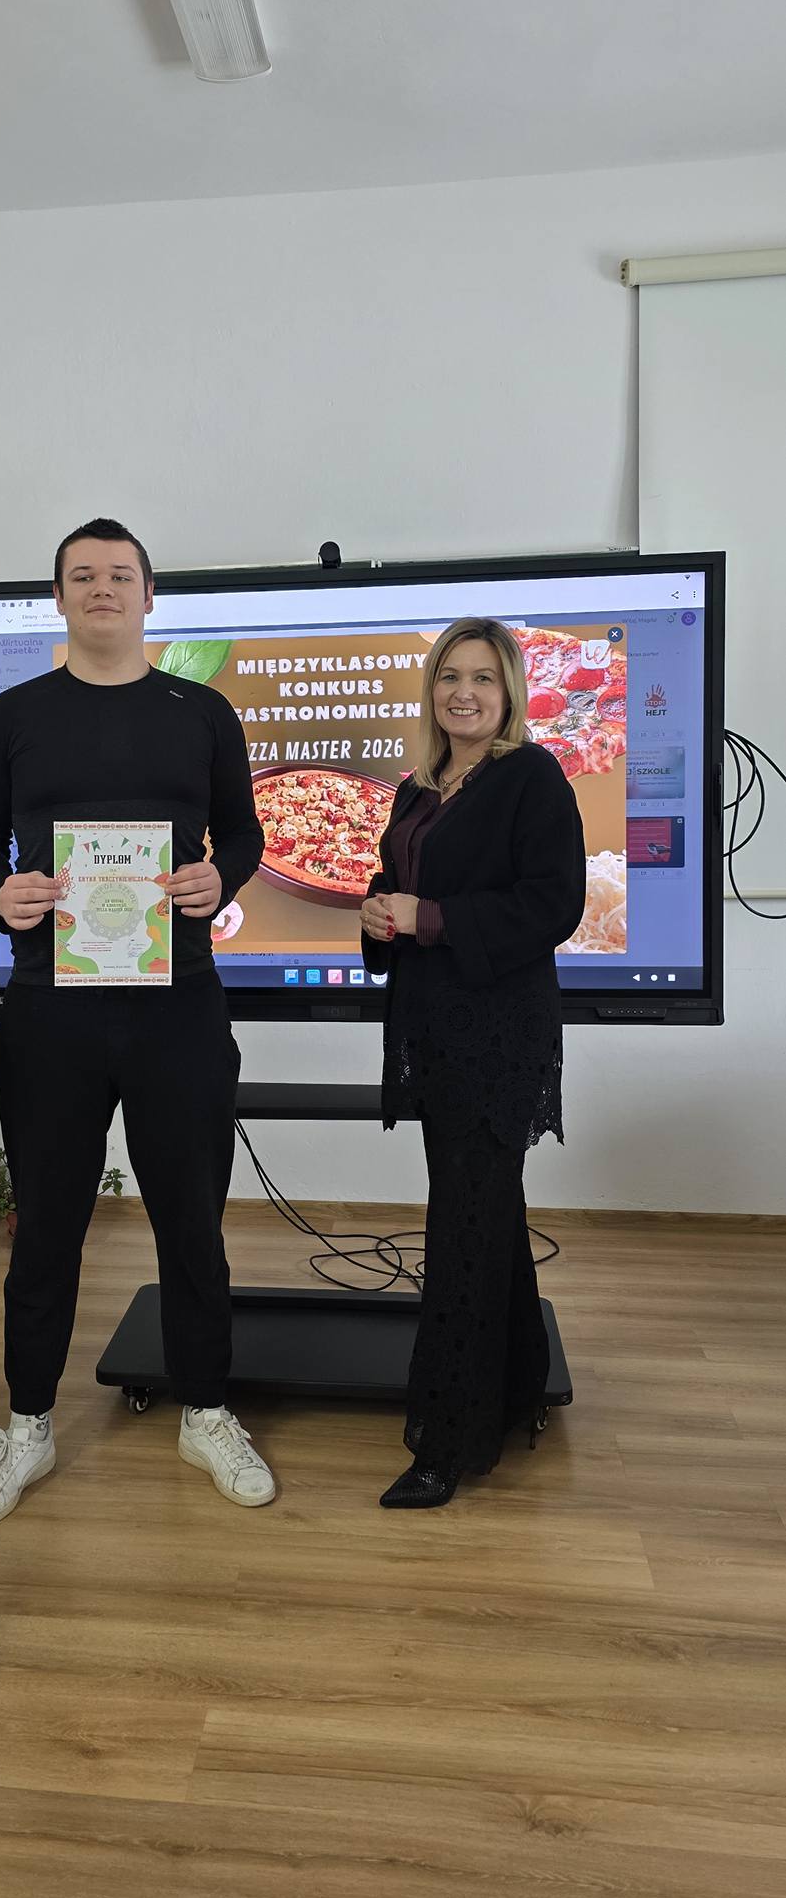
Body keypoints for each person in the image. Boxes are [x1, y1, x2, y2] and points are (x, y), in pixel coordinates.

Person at [0, 516, 276, 1523]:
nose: (102, 588)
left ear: (148, 596)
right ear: (58, 598)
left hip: (179, 1001)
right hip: (50, 1007)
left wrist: (221, 876)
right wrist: (0, 891)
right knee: (46, 1227)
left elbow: (245, 834)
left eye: (119, 574)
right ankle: (29, 1425)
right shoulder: (13, 716)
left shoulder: (202, 712)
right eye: (82, 575)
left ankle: (205, 1411)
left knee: (192, 1221)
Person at [361, 617, 586, 1508]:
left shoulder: (531, 775)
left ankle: (446, 1443)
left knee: (461, 1226)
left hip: (497, 1036)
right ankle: (515, 1386)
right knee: (487, 1213)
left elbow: (554, 904)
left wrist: (427, 919)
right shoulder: (415, 790)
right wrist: (378, 914)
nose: (463, 692)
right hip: (432, 1030)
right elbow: (399, 890)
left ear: (509, 692)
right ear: (431, 690)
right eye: (449, 676)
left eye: (482, 678)